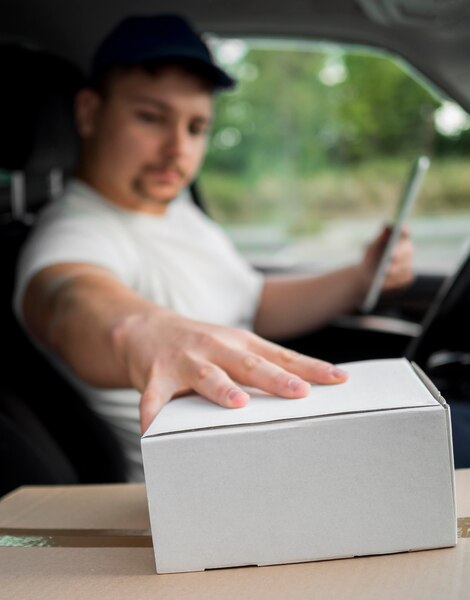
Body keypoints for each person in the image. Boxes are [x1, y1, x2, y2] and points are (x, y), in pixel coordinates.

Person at [14, 14, 414, 481]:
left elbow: (251, 299)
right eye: (150, 117)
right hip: (209, 482)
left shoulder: (177, 211)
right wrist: (148, 332)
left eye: (196, 127)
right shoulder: (74, 231)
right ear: (88, 113)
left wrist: (361, 278)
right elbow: (70, 302)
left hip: (269, 446)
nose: (176, 150)